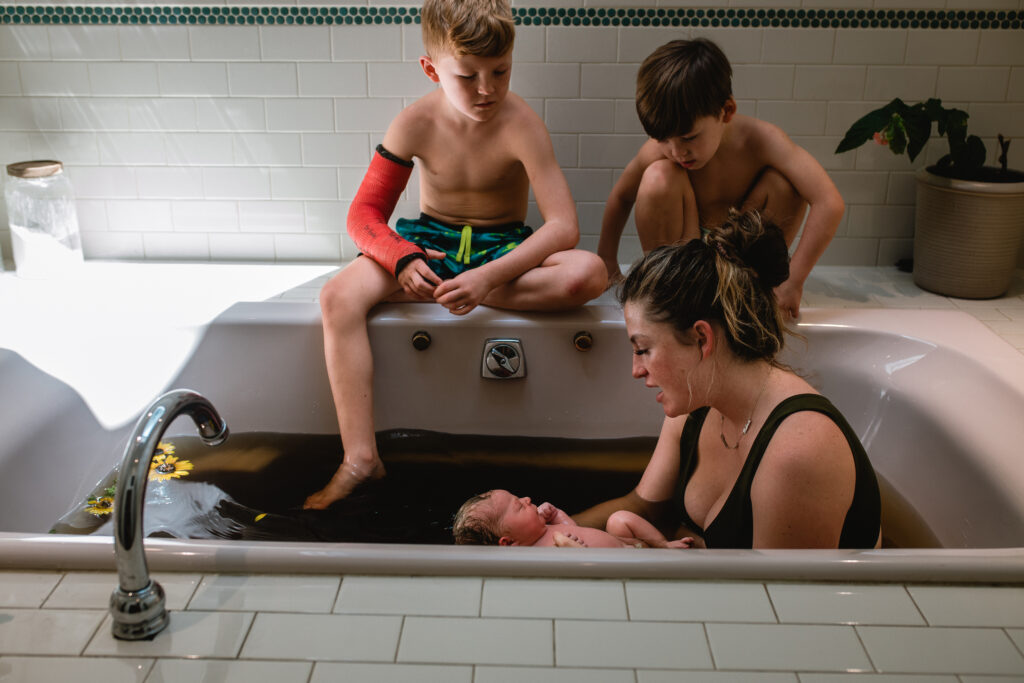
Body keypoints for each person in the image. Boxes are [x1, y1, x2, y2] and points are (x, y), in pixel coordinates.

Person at [305, 0, 607, 509]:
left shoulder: (521, 123)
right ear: (431, 68)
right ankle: (360, 459)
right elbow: (363, 215)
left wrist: (487, 278)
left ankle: (467, 292)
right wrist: (401, 258)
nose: (487, 89)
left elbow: (563, 227)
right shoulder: (415, 122)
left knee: (589, 274)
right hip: (429, 247)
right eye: (468, 76)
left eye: (501, 71)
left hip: (501, 252)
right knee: (337, 297)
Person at [576, 209, 881, 549]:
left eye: (643, 349)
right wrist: (546, 532)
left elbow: (775, 599)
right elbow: (644, 509)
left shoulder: (797, 452)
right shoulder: (700, 402)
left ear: (702, 339)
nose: (636, 369)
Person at [596, 38, 845, 318]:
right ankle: (670, 286)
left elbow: (829, 202)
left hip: (739, 258)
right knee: (658, 176)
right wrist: (607, 258)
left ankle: (752, 288)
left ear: (726, 111)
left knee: (786, 183)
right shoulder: (661, 153)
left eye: (689, 137)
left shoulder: (762, 140)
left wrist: (793, 281)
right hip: (685, 259)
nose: (677, 151)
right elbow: (621, 196)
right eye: (663, 138)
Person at [453, 489, 695, 548]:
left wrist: (557, 515)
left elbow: (574, 527)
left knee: (619, 519)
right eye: (518, 506)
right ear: (508, 543)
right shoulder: (538, 555)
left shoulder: (548, 528)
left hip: (629, 545)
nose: (527, 499)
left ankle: (663, 545)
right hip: (623, 564)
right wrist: (570, 548)